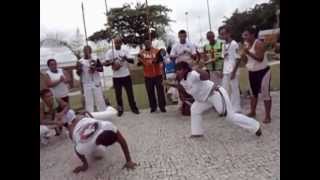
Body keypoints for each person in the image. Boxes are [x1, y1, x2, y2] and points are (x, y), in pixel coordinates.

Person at [175, 61, 261, 137]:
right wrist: (172, 85)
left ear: (185, 69)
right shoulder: (182, 80)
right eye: (177, 70)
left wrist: (198, 69)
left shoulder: (193, 74)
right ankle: (197, 132)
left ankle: (255, 126)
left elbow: (206, 76)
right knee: (195, 109)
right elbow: (185, 88)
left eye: (179, 70)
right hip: (204, 99)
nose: (177, 72)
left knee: (230, 116)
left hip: (215, 93)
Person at [62, 111, 137, 174]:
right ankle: (70, 123)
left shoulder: (108, 125)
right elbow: (76, 150)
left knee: (100, 152)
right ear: (101, 143)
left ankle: (81, 114)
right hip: (77, 129)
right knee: (99, 153)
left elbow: (122, 141)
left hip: (85, 120)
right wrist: (85, 164)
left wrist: (129, 160)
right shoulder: (85, 146)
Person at [241, 26, 272, 123]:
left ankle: (268, 116)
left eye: (246, 35)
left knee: (265, 94)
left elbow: (260, 59)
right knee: (253, 94)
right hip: (252, 72)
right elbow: (246, 62)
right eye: (243, 35)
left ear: (252, 35)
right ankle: (253, 111)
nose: (244, 37)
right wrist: (243, 56)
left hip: (263, 72)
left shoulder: (258, 43)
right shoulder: (246, 45)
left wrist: (248, 53)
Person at [104, 37, 140, 116]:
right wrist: (111, 62)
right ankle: (120, 110)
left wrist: (125, 58)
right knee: (118, 94)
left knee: (130, 93)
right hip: (116, 77)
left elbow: (132, 60)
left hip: (126, 75)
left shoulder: (125, 50)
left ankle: (134, 108)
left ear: (121, 43)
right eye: (116, 42)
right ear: (114, 43)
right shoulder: (110, 52)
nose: (117, 43)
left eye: (119, 42)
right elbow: (105, 64)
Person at [137, 40, 166, 113]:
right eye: (146, 44)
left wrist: (155, 61)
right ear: (144, 44)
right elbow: (139, 62)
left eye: (149, 43)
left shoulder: (156, 50)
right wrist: (141, 62)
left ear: (151, 43)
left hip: (158, 75)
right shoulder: (141, 52)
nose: (148, 44)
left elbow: (161, 59)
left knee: (160, 92)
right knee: (150, 92)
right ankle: (153, 107)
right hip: (147, 75)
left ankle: (162, 107)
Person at [77, 45, 107, 113]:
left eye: (89, 51)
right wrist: (80, 68)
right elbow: (78, 73)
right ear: (84, 51)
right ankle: (90, 115)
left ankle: (103, 113)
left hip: (96, 82)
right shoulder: (80, 61)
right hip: (86, 83)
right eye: (86, 50)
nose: (88, 52)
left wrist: (95, 69)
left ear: (91, 51)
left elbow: (101, 69)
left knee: (99, 99)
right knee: (89, 101)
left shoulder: (96, 59)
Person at [220, 26, 242, 113]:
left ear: (229, 33)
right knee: (224, 89)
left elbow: (238, 59)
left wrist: (234, 72)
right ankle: (227, 107)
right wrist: (222, 71)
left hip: (233, 70)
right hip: (225, 70)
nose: (223, 35)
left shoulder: (234, 44)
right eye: (221, 34)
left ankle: (236, 108)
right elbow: (223, 58)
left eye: (224, 33)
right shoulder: (223, 45)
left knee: (234, 89)